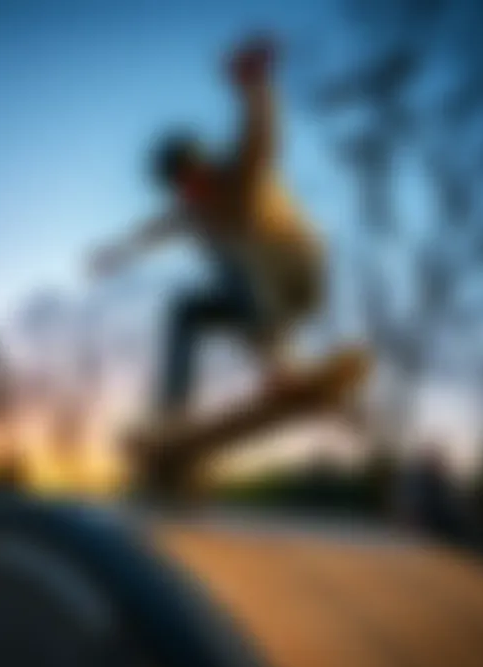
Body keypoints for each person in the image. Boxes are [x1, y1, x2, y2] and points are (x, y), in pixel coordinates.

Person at [90, 36, 331, 427]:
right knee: (185, 309)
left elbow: (261, 137)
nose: (192, 191)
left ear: (204, 164)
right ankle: (172, 414)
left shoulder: (240, 176)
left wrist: (254, 85)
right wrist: (116, 253)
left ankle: (280, 369)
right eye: (181, 187)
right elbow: (157, 228)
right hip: (257, 296)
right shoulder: (191, 212)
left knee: (232, 261)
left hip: (298, 272)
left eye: (194, 177)